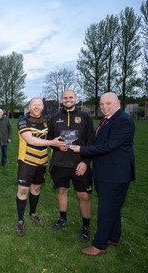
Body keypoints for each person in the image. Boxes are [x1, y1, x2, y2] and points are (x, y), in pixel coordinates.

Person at [70, 92, 135, 256]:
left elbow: (108, 146)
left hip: (115, 175)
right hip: (106, 173)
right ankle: (113, 237)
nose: (104, 107)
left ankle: (99, 245)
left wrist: (81, 150)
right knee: (113, 207)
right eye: (102, 104)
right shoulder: (107, 120)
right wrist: (84, 155)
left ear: (118, 102)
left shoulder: (123, 121)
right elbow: (98, 142)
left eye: (108, 104)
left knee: (106, 209)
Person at [48, 90, 95, 242]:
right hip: (59, 163)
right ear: (61, 100)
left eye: (71, 97)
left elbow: (92, 142)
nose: (68, 100)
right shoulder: (55, 117)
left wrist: (85, 162)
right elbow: (50, 139)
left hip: (79, 164)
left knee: (84, 196)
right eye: (65, 98)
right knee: (62, 190)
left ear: (76, 99)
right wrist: (56, 146)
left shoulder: (85, 117)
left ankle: (86, 226)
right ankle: (63, 219)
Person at [15, 98, 65, 236]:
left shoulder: (46, 121)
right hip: (26, 161)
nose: (36, 107)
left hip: (42, 161)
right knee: (23, 190)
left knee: (36, 188)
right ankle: (20, 221)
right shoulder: (23, 120)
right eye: (33, 104)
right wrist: (52, 143)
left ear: (42, 106)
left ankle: (33, 213)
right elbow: (30, 139)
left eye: (38, 104)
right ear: (29, 106)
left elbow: (56, 135)